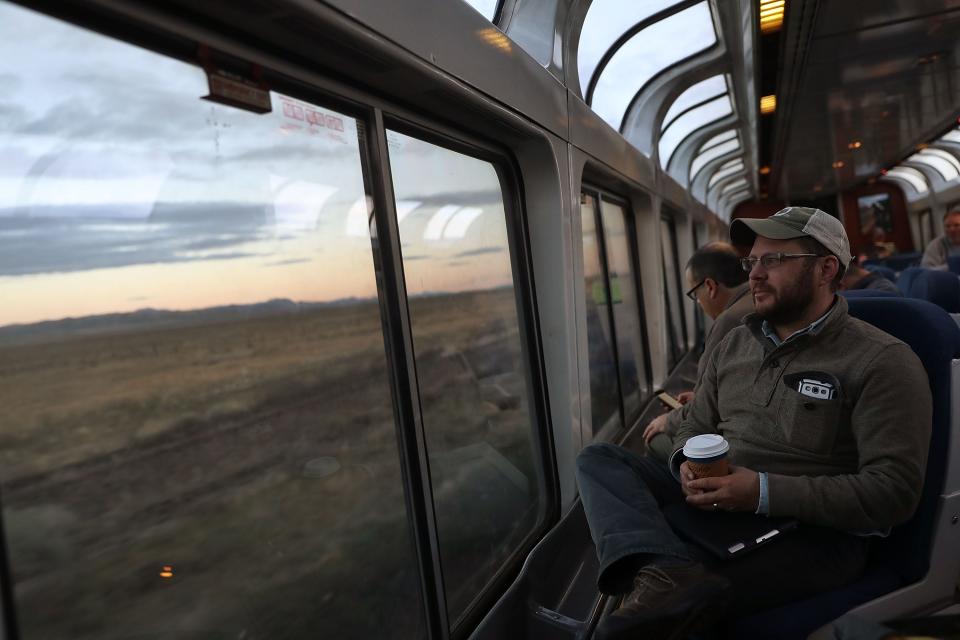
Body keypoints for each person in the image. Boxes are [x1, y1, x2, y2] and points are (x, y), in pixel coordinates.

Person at [576, 207, 931, 640]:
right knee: (600, 459)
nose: (755, 274)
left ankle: (669, 574)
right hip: (719, 499)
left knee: (634, 626)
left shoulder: (881, 361)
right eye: (752, 262)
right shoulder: (735, 345)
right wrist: (687, 463)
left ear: (825, 268)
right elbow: (694, 424)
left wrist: (761, 491)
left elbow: (892, 493)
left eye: (774, 260)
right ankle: (668, 570)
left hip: (811, 535)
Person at [643, 242, 754, 462]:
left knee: (655, 439)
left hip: (740, 442)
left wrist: (669, 419)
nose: (700, 303)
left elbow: (704, 411)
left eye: (695, 294)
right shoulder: (757, 301)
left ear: (710, 286)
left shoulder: (728, 321)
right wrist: (699, 397)